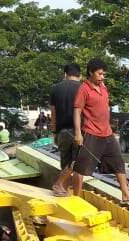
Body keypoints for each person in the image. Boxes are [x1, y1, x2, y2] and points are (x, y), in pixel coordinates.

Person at [72, 58, 129, 202]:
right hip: (91, 133)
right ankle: (75, 198)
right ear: (90, 73)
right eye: (99, 74)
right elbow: (77, 111)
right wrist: (78, 133)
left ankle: (125, 193)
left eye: (103, 74)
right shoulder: (84, 89)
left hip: (107, 133)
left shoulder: (104, 88)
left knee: (118, 163)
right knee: (81, 168)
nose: (102, 77)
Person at [49, 63, 83, 197]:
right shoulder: (83, 88)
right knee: (79, 166)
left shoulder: (55, 88)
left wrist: (54, 132)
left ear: (65, 74)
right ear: (79, 75)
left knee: (65, 165)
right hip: (79, 132)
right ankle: (76, 197)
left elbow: (53, 113)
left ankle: (64, 192)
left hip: (62, 132)